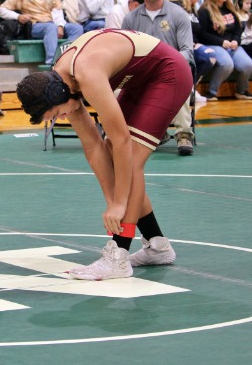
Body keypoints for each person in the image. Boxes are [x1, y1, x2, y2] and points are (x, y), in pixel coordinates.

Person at [16, 28, 192, 280]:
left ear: (58, 95)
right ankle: (157, 246)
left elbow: (122, 141)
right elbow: (93, 146)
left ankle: (118, 257)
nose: (63, 117)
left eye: (57, 113)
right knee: (111, 152)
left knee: (131, 158)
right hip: (139, 80)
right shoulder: (61, 84)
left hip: (168, 73)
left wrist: (120, 204)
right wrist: (112, 201)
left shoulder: (85, 73)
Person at [122, 0, 196, 155]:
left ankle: (184, 135)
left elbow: (187, 51)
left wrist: (168, 64)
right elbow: (125, 54)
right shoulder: (130, 19)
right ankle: (148, 133)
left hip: (173, 73)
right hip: (142, 78)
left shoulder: (178, 15)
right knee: (116, 91)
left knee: (180, 85)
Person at [0, 0, 84, 65]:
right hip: (35, 25)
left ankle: (66, 57)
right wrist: (18, 16)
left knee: (77, 28)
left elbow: (57, 11)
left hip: (53, 22)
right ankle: (52, 62)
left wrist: (60, 25)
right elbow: (1, 10)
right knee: (50, 28)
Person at [195, 0, 252, 100]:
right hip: (213, 44)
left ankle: (241, 91)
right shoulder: (204, 10)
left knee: (247, 64)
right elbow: (202, 34)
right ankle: (212, 92)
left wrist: (236, 41)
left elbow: (238, 29)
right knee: (227, 64)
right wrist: (221, 42)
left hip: (231, 45)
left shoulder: (229, 8)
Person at [168, 0, 218, 103]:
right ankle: (185, 89)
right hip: (176, 46)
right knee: (201, 56)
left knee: (210, 56)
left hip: (191, 44)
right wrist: (189, 44)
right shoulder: (174, 6)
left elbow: (197, 31)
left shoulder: (191, 8)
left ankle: (190, 87)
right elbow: (170, 30)